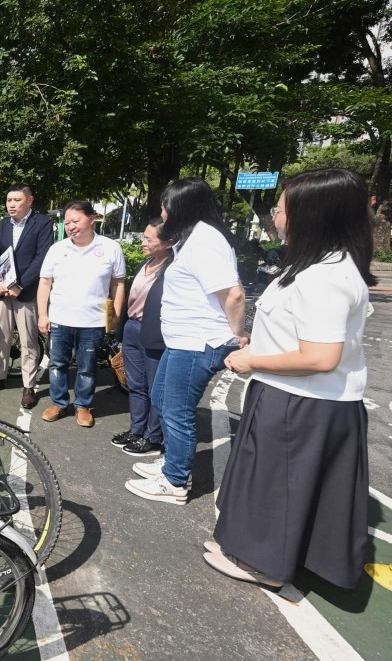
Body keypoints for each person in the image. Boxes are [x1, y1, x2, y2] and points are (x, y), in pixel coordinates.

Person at [205, 168, 374, 591]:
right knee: (272, 479)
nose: (274, 217)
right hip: (292, 393)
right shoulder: (316, 264)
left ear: (310, 216)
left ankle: (264, 564)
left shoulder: (326, 276)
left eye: (280, 210)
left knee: (279, 482)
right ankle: (253, 550)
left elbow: (320, 357)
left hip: (304, 399)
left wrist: (253, 360)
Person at [125, 178, 245, 505]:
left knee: (176, 410)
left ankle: (176, 481)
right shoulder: (191, 239)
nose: (162, 212)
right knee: (162, 399)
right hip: (182, 342)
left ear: (182, 207)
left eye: (166, 205)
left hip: (198, 342)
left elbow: (232, 293)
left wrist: (239, 335)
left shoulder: (206, 240)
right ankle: (172, 464)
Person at [37, 200, 126, 427]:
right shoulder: (57, 249)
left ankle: (83, 406)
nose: (70, 226)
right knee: (57, 364)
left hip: (93, 321)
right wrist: (42, 315)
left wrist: (115, 315)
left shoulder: (110, 248)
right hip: (60, 319)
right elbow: (45, 283)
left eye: (75, 221)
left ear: (92, 218)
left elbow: (117, 284)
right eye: (67, 222)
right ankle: (58, 402)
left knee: (87, 367)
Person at [0, 184, 53, 409]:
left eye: (17, 200)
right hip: (3, 292)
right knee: (2, 337)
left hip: (26, 293)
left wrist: (21, 284)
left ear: (30, 200)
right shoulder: (2, 226)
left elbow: (42, 257)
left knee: (29, 341)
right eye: (9, 200)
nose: (11, 204)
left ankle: (29, 387)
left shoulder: (42, 223)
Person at [111, 218, 173, 456]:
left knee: (155, 388)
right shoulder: (146, 264)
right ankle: (136, 430)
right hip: (132, 329)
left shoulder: (173, 269)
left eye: (149, 239)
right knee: (135, 384)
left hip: (155, 334)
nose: (143, 242)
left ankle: (153, 437)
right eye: (143, 237)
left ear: (169, 242)